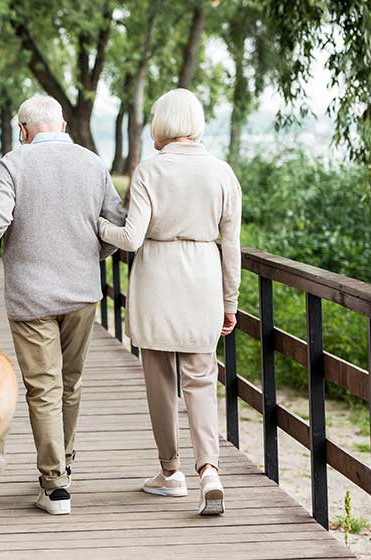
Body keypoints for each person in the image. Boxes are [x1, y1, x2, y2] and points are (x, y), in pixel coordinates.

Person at [0, 94, 126, 515]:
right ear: (62, 126)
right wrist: (90, 256)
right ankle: (65, 464)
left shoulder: (14, 163)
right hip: (82, 292)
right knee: (71, 383)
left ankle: (55, 485)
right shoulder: (92, 163)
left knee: (43, 387)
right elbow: (115, 223)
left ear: (23, 130)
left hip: (31, 296)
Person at [98, 88, 242, 515]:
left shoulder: (150, 170)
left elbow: (130, 237)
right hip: (203, 278)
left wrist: (98, 226)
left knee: (160, 381)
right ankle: (210, 471)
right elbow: (231, 246)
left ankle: (170, 472)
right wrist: (229, 302)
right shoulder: (222, 172)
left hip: (157, 280)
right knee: (201, 379)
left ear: (162, 123)